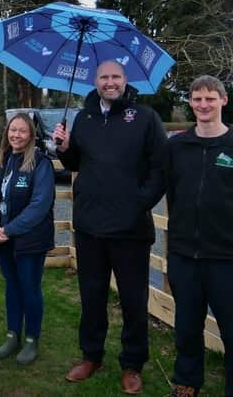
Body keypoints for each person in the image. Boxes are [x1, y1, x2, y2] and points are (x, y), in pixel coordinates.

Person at [53, 60, 166, 394]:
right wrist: (63, 149)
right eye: (104, 77)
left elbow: (160, 169)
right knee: (92, 297)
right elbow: (76, 163)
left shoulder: (145, 118)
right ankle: (92, 356)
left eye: (116, 76)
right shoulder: (83, 118)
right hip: (89, 227)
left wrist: (138, 204)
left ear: (125, 80)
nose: (110, 82)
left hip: (130, 229)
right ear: (96, 81)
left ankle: (132, 364)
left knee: (133, 300)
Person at [165, 75, 232, 397]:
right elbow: (160, 186)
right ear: (190, 103)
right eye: (197, 99)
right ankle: (187, 383)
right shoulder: (177, 146)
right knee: (187, 327)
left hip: (226, 258)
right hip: (183, 255)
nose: (203, 104)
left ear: (223, 100)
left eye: (210, 98)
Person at [0, 112, 55, 365]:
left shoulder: (40, 162)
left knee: (29, 288)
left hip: (30, 239)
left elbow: (40, 205)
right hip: (2, 238)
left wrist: (9, 229)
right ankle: (13, 335)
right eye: (13, 130)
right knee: (12, 286)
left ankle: (31, 340)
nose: (16, 135)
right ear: (7, 131)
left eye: (22, 131)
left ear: (31, 135)